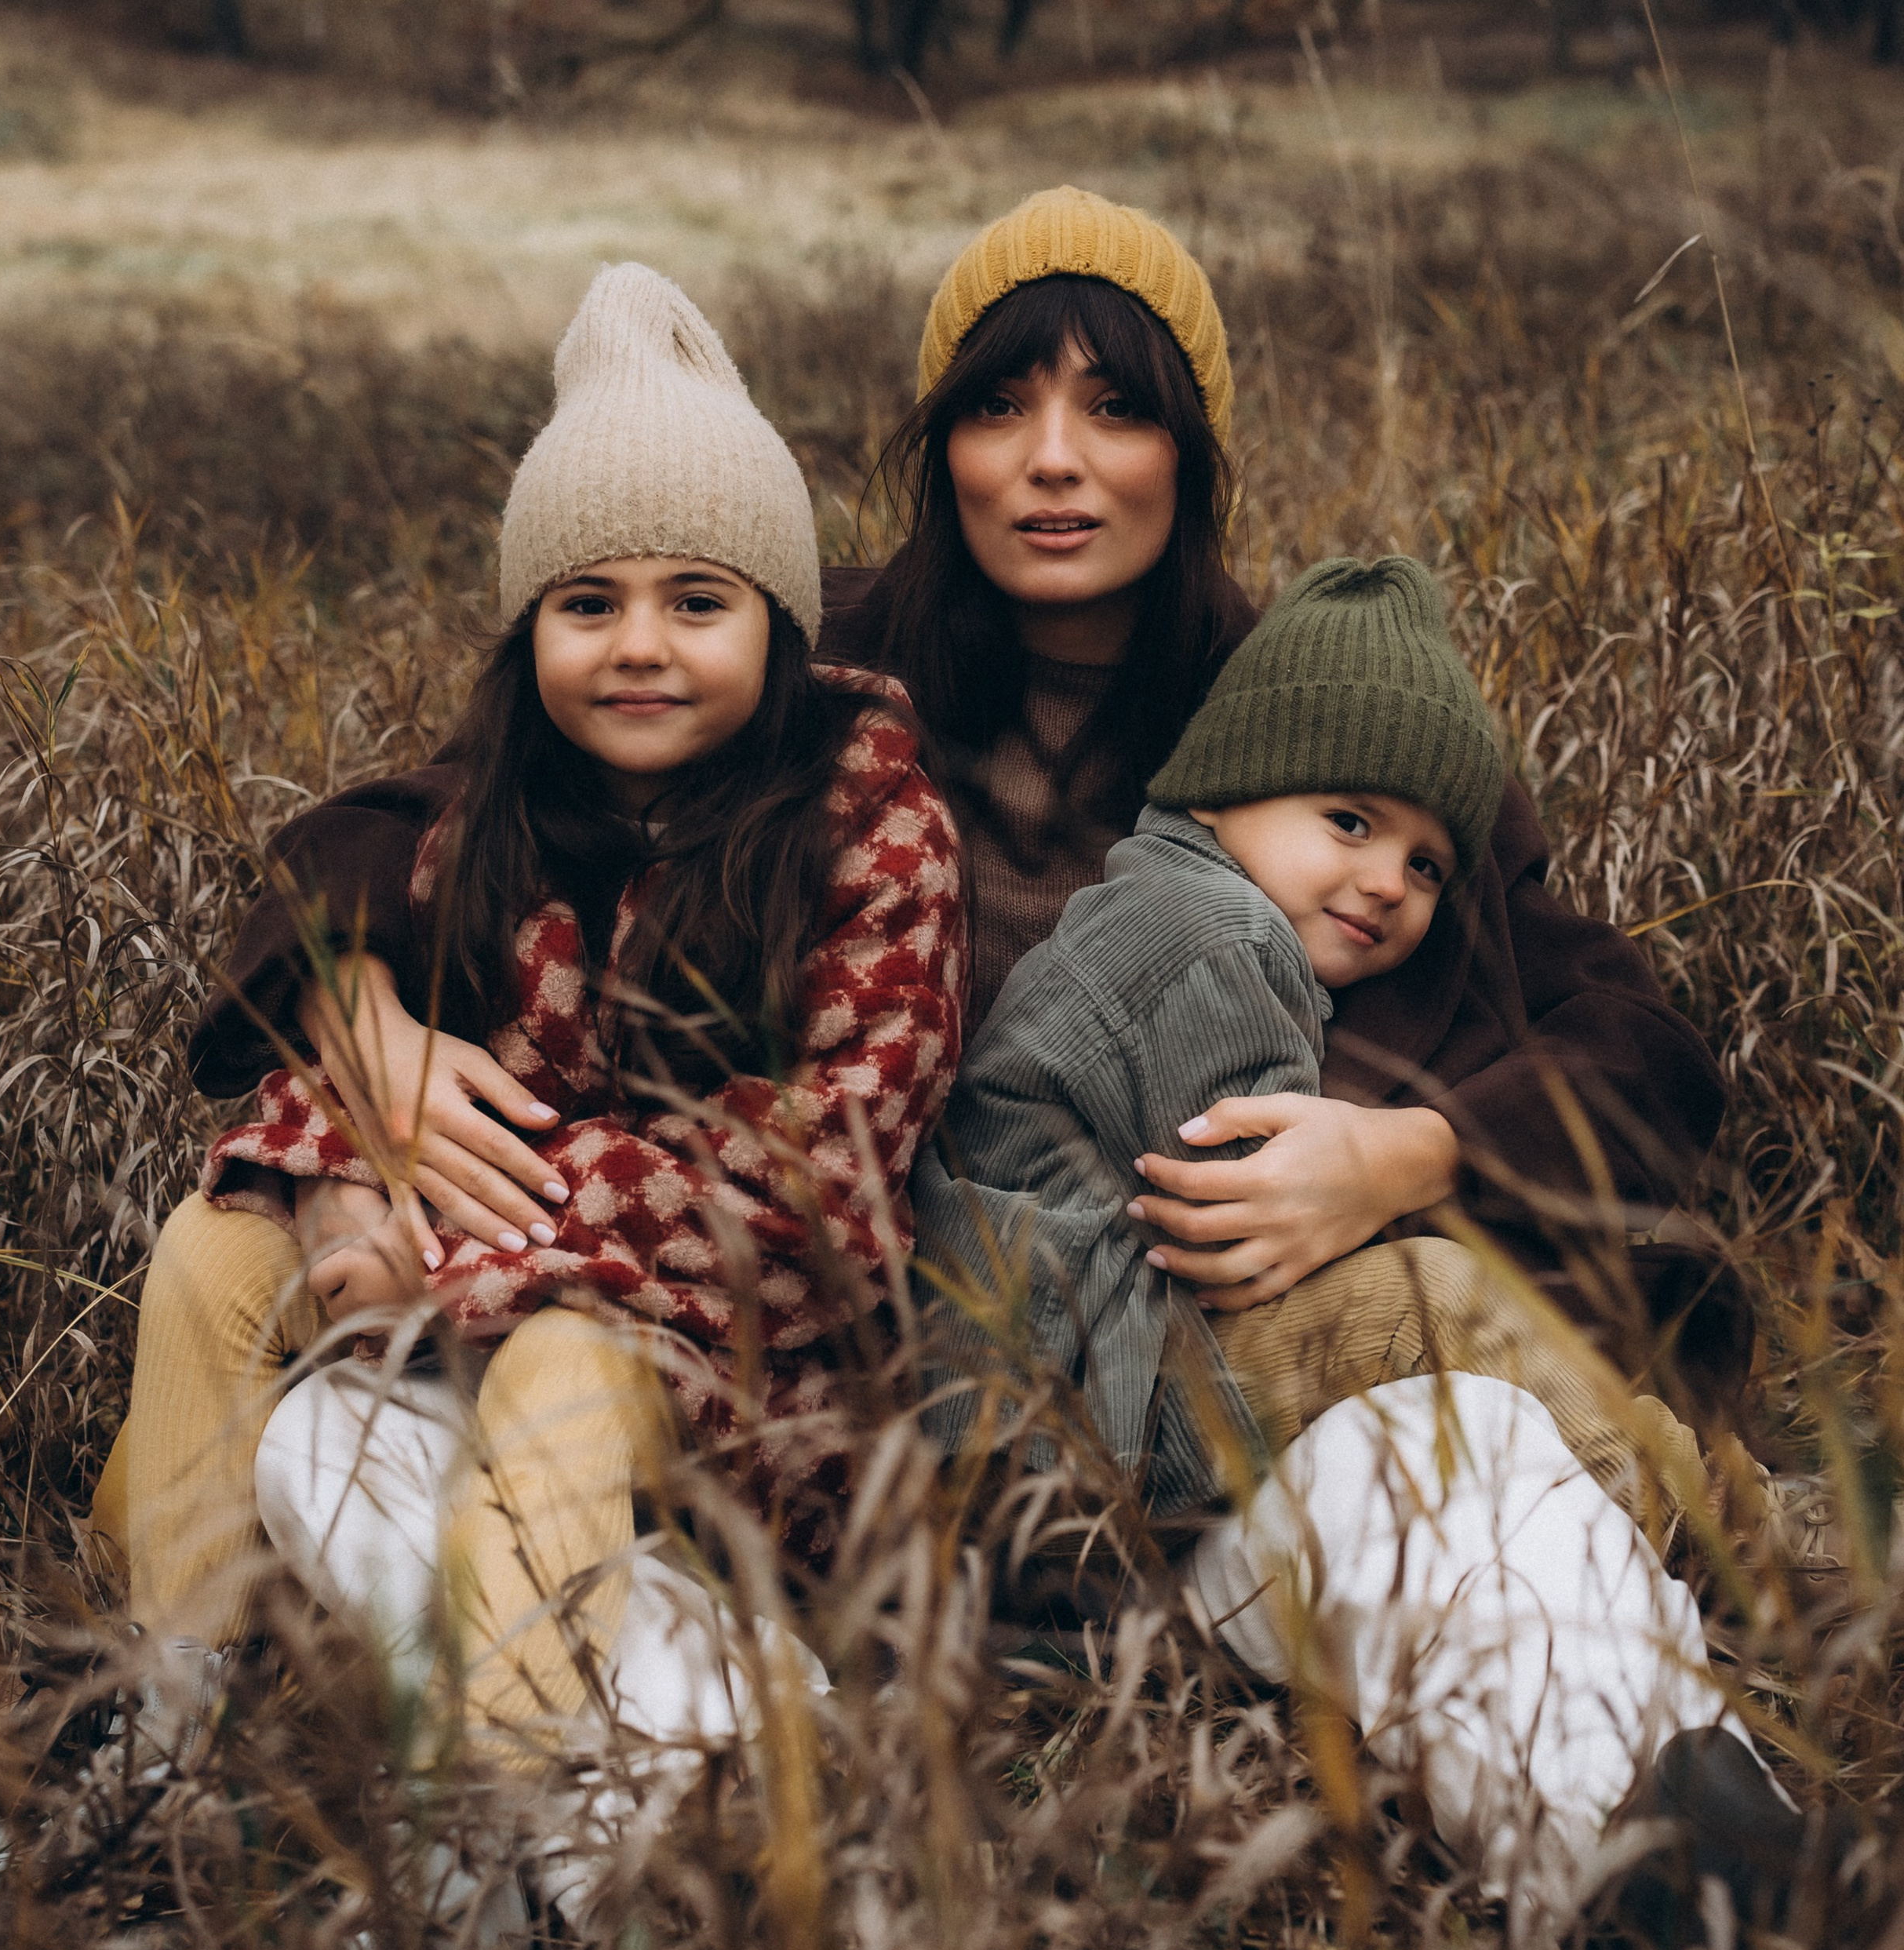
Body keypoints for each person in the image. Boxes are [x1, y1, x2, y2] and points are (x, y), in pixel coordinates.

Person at [231, 187, 1740, 1444]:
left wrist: (1409, 1155)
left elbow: (1630, 1036)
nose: (1054, 460)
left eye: (1118, 407)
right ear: (942, 443)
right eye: (1000, 406)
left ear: (1190, 451)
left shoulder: (1298, 712)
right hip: (822, 1345)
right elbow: (405, 820)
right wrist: (363, 1013)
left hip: (1180, 1346)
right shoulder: (812, 664)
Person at [93, 266, 966, 1763]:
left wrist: (471, 1240)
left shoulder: (870, 828)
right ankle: (172, 1722)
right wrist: (349, 1189)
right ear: (528, 631)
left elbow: (823, 1182)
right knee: (213, 1249)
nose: (638, 645)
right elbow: (413, 1080)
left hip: (764, 1375)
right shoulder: (491, 820)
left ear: (780, 628)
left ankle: (503, 1792)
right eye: (587, 604)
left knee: (562, 1369)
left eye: (697, 602)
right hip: (510, 1286)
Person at [913, 551, 1760, 1894]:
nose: (1388, 883)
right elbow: (1244, 1242)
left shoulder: (1183, 905)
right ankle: (1690, 1517)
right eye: (1348, 821)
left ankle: (1686, 1705)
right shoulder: (1210, 938)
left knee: (1441, 1343)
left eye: (1427, 862)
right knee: (1431, 1304)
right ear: (1226, 786)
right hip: (1091, 1389)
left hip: (1087, 1370)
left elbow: (1646, 1053)